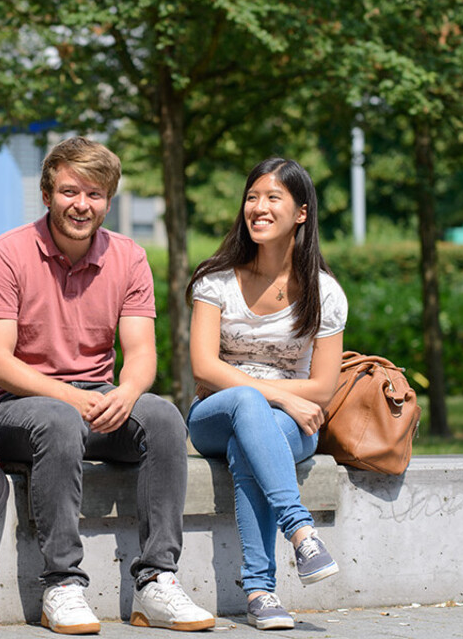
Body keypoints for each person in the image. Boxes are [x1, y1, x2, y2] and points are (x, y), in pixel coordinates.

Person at [0, 137, 215, 635]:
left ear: (109, 199)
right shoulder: (5, 254)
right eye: (69, 191)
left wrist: (125, 394)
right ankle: (61, 584)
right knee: (59, 420)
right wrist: (71, 397)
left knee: (164, 416)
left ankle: (157, 582)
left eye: (95, 194)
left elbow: (142, 354)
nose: (81, 204)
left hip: (97, 400)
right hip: (16, 409)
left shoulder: (129, 257)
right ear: (47, 194)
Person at [184, 157, 347, 631]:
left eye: (272, 197)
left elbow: (324, 386)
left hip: (292, 425)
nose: (258, 207)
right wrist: (281, 394)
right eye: (252, 197)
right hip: (214, 415)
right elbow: (203, 367)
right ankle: (300, 530)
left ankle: (259, 592)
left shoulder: (325, 291)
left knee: (249, 444)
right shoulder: (215, 281)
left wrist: (282, 399)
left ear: (301, 212)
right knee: (249, 404)